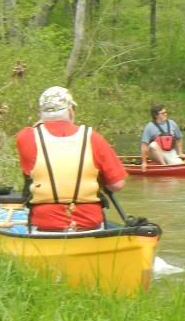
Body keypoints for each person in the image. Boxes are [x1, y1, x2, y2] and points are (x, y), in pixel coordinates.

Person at [15, 86, 126, 231]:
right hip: (89, 223)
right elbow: (117, 184)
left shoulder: (26, 137)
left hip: (45, 224)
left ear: (41, 114)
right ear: (70, 111)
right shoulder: (93, 138)